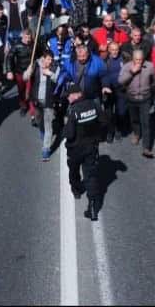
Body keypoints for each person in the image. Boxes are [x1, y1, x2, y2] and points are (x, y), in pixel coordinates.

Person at [62, 83, 108, 222]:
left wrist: (64, 128)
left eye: (69, 96)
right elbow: (104, 122)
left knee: (74, 171)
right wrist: (98, 138)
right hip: (91, 147)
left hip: (75, 149)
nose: (68, 98)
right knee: (90, 176)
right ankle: (93, 209)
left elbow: (69, 134)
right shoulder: (94, 105)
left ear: (77, 95)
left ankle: (76, 190)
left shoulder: (73, 110)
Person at [119, 48, 155, 158]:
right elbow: (120, 81)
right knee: (134, 119)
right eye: (137, 59)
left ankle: (146, 148)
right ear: (133, 59)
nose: (139, 62)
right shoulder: (127, 67)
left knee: (146, 122)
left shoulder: (150, 66)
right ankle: (137, 133)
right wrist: (132, 72)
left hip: (145, 99)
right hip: (131, 98)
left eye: (141, 59)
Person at [26, 50, 60, 161]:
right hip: (37, 100)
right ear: (43, 58)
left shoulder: (55, 67)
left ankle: (46, 149)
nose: (50, 62)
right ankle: (41, 129)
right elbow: (25, 77)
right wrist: (28, 72)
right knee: (39, 120)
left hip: (49, 100)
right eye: (48, 59)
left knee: (48, 125)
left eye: (51, 60)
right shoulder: (35, 65)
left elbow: (58, 79)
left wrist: (50, 73)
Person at [99, 40, 125, 142]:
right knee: (108, 114)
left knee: (121, 112)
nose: (115, 52)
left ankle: (118, 129)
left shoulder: (123, 59)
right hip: (108, 91)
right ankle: (110, 131)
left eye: (116, 50)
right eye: (112, 50)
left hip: (120, 90)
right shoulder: (105, 61)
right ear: (109, 50)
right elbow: (102, 75)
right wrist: (104, 86)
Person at [6, 29, 35, 117]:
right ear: (22, 36)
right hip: (19, 73)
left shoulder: (34, 45)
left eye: (29, 38)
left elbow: (41, 55)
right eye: (26, 37)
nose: (28, 40)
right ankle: (23, 105)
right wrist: (9, 71)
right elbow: (9, 57)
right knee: (21, 91)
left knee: (30, 91)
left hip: (30, 73)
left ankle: (32, 111)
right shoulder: (17, 45)